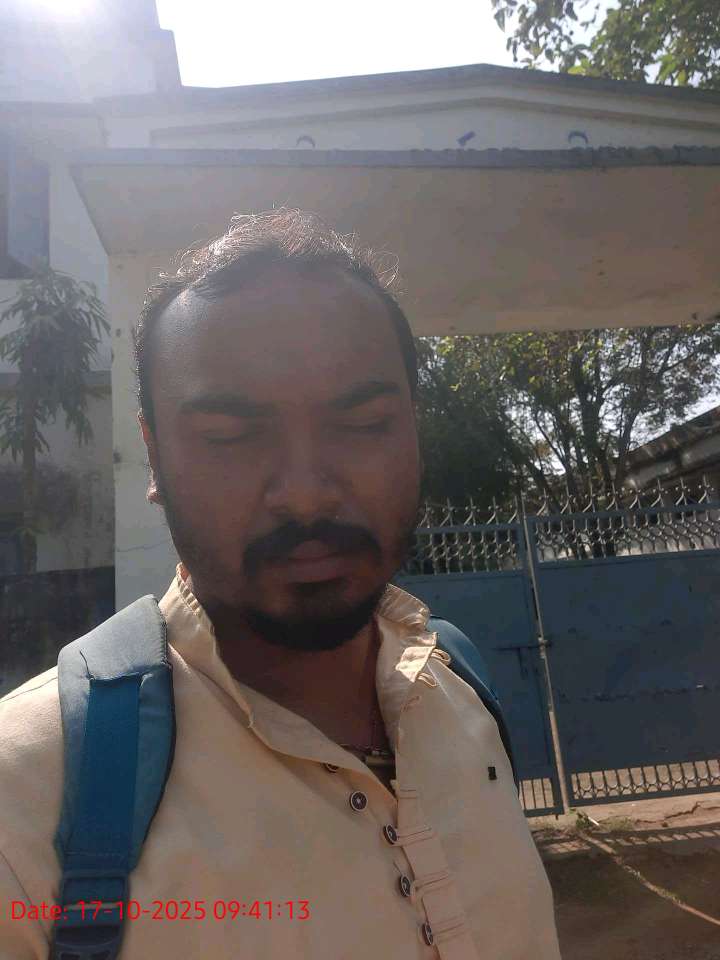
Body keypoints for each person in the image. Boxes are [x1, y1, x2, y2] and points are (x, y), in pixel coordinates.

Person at [0, 208, 561, 959]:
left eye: (364, 423)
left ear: (415, 432)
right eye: (230, 436)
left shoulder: (460, 692)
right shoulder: (27, 800)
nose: (305, 495)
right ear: (154, 457)